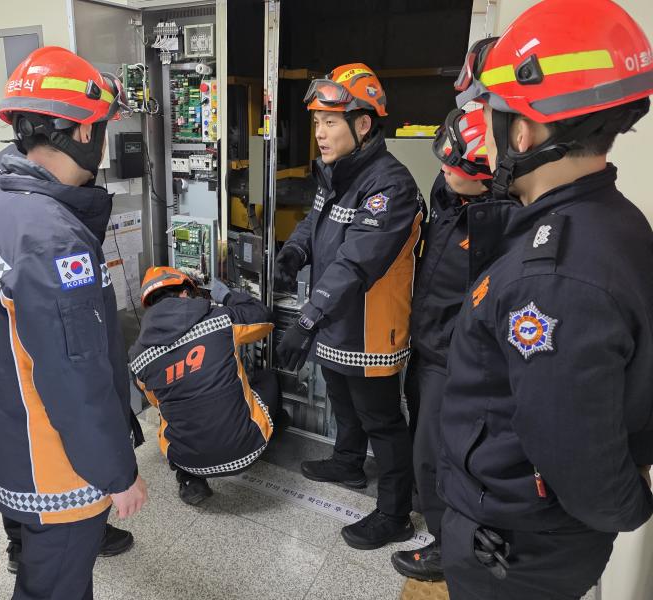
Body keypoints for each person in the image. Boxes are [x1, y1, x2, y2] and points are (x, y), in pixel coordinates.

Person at [437, 1, 653, 598]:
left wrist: (630, 506)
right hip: (530, 537)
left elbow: (574, 447)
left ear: (525, 131)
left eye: (495, 114)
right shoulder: (610, 220)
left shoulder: (553, 277)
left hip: (514, 551)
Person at [0, 46, 147, 600]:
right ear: (83, 132)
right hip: (56, 472)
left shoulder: (1, 206)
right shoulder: (52, 238)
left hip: (14, 449)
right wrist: (119, 473)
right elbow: (77, 377)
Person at [274, 63, 425, 549]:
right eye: (317, 122)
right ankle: (347, 463)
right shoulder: (336, 173)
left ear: (363, 124)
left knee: (382, 418)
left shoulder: (390, 186)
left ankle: (396, 511)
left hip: (370, 327)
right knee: (342, 401)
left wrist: (306, 318)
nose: (319, 133)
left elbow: (357, 262)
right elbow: (315, 223)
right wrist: (293, 252)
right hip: (337, 321)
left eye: (331, 122)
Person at [391, 106, 513, 581]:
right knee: (423, 437)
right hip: (427, 345)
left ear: (486, 175)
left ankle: (448, 548)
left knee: (437, 453)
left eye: (454, 164)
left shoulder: (498, 229)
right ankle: (435, 513)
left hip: (455, 359)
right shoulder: (452, 202)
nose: (443, 169)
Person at [129, 267, 281, 505]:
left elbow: (156, 401)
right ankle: (271, 439)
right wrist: (227, 296)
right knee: (268, 379)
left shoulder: (138, 357)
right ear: (184, 294)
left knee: (168, 411)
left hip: (186, 458)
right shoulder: (219, 320)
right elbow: (265, 318)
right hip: (247, 452)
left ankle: (190, 479)